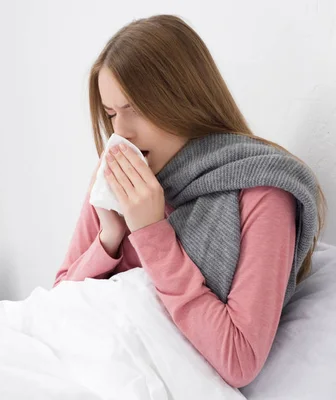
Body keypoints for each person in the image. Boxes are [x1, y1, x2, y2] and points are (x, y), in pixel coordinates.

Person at [53, 15, 326, 388]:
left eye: (134, 108)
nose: (121, 132)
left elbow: (239, 358)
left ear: (181, 98)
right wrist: (109, 236)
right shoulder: (119, 179)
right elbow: (58, 304)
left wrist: (152, 233)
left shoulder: (262, 190)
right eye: (112, 113)